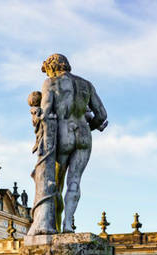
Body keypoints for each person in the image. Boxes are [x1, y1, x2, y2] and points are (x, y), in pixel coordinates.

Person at [28, 54, 108, 235]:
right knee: (75, 182)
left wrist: (35, 114)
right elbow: (102, 115)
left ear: (51, 67)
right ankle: (68, 225)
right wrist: (91, 126)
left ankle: (53, 226)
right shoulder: (86, 85)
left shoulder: (51, 83)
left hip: (63, 135)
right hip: (84, 134)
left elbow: (46, 112)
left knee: (55, 184)